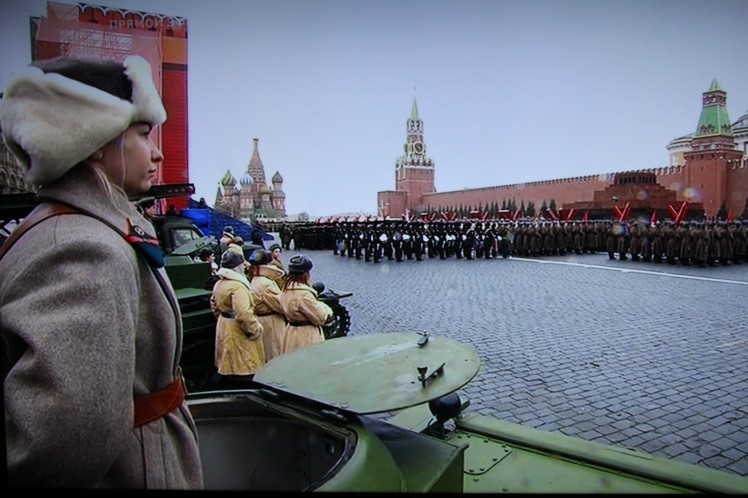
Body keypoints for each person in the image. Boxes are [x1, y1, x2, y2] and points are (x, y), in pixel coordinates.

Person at [0, 56, 202, 487]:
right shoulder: (84, 249)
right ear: (96, 139)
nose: (158, 151)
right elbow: (65, 441)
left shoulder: (71, 228)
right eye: (144, 134)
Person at [210, 250, 265, 388]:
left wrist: (222, 318)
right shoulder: (238, 286)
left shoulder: (219, 283)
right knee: (244, 363)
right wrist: (254, 330)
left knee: (228, 361)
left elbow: (214, 304)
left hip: (225, 324)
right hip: (237, 329)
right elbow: (243, 314)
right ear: (237, 267)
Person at [278, 255, 333, 355]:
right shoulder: (303, 294)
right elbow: (320, 317)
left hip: (291, 332)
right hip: (306, 335)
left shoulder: (286, 289)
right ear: (305, 274)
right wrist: (326, 309)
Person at [247, 249, 287, 363]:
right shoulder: (265, 283)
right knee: (276, 354)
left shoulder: (255, 279)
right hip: (272, 323)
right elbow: (282, 305)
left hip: (262, 321)